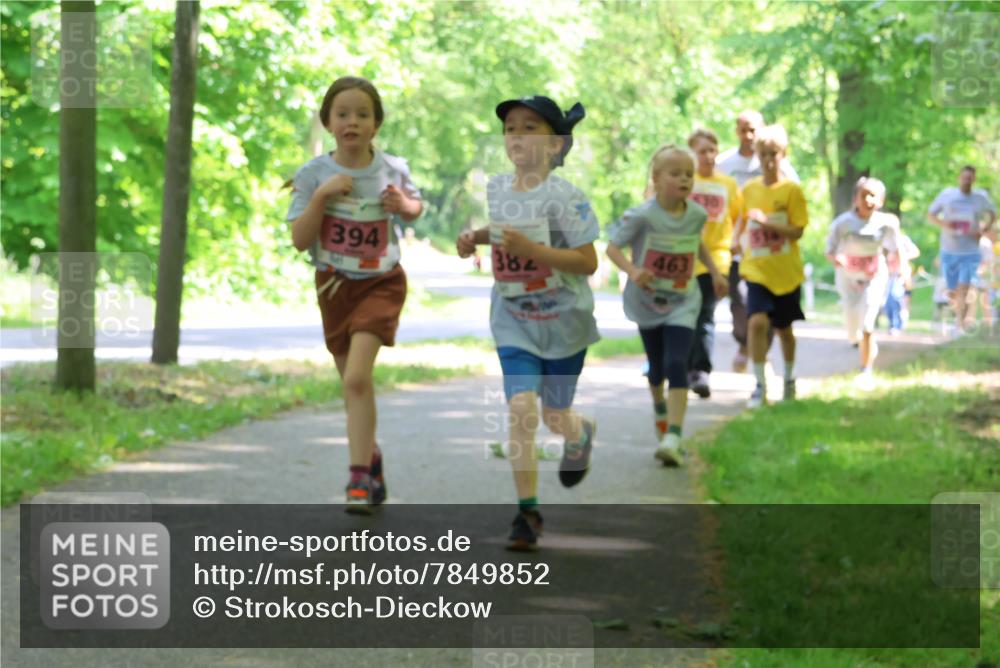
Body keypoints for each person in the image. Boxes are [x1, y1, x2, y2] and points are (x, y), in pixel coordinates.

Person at [455, 95, 598, 551]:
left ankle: (580, 433)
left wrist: (534, 252)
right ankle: (527, 512)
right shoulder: (499, 189)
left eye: (529, 127)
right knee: (521, 409)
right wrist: (474, 238)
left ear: (556, 145)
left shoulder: (566, 197)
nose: (516, 134)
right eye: (510, 127)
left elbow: (586, 261)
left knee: (556, 415)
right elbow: (503, 235)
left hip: (564, 323)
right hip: (514, 319)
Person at [287, 76, 423, 513]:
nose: (352, 122)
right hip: (334, 286)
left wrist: (403, 206)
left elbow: (416, 208)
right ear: (328, 122)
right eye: (342, 114)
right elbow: (299, 238)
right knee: (352, 386)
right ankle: (372, 458)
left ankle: (358, 479)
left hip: (382, 281)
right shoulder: (314, 175)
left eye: (362, 114)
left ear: (376, 124)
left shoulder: (392, 169)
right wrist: (322, 198)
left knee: (358, 378)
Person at [607, 144, 727, 465]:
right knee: (657, 368)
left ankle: (673, 435)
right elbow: (613, 249)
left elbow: (696, 244)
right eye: (676, 174)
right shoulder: (641, 216)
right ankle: (659, 407)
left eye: (689, 174)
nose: (685, 179)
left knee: (677, 362)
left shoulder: (698, 214)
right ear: (657, 179)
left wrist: (715, 272)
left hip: (683, 300)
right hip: (646, 302)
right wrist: (633, 271)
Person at [716, 110, 799, 372]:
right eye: (743, 129)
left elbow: (794, 210)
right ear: (736, 131)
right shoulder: (725, 164)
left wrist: (770, 222)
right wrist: (731, 238)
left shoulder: (783, 169)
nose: (748, 136)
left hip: (776, 253)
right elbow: (728, 207)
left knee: (774, 317)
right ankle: (750, 350)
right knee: (743, 304)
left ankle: (764, 357)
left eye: (753, 130)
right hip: (741, 249)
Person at [733, 125, 808, 408]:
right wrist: (735, 241)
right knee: (756, 322)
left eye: (773, 154)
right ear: (756, 155)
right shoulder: (749, 189)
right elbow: (741, 219)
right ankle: (760, 385)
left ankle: (789, 379)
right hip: (757, 268)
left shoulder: (792, 191)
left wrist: (767, 221)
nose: (768, 160)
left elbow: (797, 231)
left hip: (786, 271)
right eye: (763, 154)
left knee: (784, 329)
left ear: (783, 154)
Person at [826, 177, 900, 388]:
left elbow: (896, 250)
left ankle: (866, 369)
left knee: (868, 324)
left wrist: (901, 269)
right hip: (848, 279)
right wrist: (837, 259)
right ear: (855, 198)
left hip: (874, 277)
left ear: (881, 200)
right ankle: (858, 342)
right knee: (853, 330)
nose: (868, 199)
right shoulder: (843, 224)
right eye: (863, 194)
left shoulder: (886, 224)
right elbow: (829, 249)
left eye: (873, 195)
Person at [686, 128, 742, 399]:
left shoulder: (727, 184)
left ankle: (700, 370)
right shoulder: (686, 181)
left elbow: (738, 215)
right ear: (692, 154)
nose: (708, 156)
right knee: (687, 314)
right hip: (685, 258)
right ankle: (682, 365)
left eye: (712, 150)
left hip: (717, 258)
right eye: (701, 151)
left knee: (705, 314)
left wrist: (737, 240)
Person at [927, 166, 997, 334]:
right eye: (964, 177)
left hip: (970, 250)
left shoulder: (980, 197)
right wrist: (944, 224)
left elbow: (993, 214)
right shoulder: (947, 195)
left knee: (965, 287)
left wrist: (983, 229)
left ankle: (960, 325)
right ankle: (957, 317)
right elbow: (931, 215)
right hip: (949, 249)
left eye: (970, 178)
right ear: (959, 178)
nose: (966, 180)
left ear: (974, 179)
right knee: (953, 290)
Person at [884, 231, 919, 335]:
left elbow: (915, 252)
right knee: (887, 300)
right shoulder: (883, 239)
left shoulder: (902, 239)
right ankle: (893, 323)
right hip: (887, 273)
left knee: (895, 296)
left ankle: (896, 324)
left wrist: (902, 257)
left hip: (900, 273)